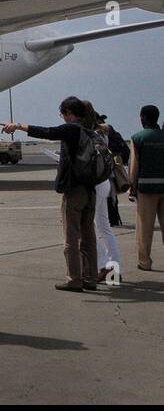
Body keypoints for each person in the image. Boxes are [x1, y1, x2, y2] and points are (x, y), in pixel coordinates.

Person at [1, 96, 100, 292]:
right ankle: (90, 278)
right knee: (88, 236)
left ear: (69, 113)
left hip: (74, 190)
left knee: (71, 236)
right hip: (90, 189)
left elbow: (48, 132)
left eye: (63, 114)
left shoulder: (72, 129)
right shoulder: (91, 132)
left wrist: (18, 126)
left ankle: (74, 279)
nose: (62, 118)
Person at [84, 101, 121, 283]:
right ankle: (114, 269)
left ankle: (104, 265)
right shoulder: (104, 132)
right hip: (105, 181)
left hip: (95, 183)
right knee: (104, 226)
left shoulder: (89, 135)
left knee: (87, 226)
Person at [129, 104, 164, 271]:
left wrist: (132, 186)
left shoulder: (137, 138)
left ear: (143, 118)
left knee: (145, 227)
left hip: (147, 188)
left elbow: (134, 167)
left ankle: (145, 262)